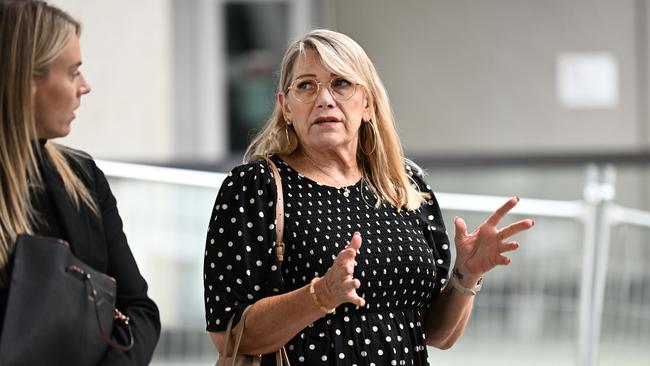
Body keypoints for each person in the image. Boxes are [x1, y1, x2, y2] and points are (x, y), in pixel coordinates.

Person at [203, 29, 534, 365]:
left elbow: (436, 334)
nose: (325, 99)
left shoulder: (403, 184)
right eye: (306, 85)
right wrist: (319, 296)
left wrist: (466, 274)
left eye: (341, 83)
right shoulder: (255, 188)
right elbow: (227, 335)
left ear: (368, 103)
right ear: (286, 107)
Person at [0, 0, 160, 364]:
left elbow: (139, 310)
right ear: (26, 80)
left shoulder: (83, 178)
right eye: (73, 72)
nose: (85, 86)